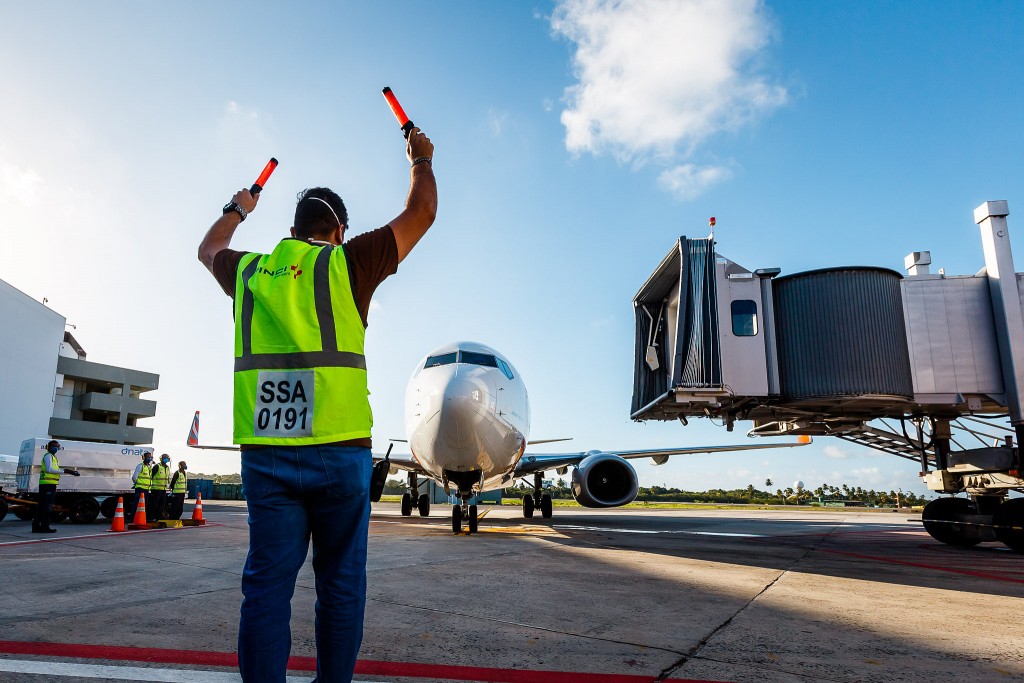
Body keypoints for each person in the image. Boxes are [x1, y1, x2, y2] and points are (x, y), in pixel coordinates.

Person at [198, 125, 436, 683]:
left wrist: (237, 207)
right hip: (339, 451)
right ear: (339, 231)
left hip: (266, 454)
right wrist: (420, 159)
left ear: (291, 231)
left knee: (265, 590)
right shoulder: (348, 263)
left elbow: (207, 249)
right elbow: (421, 212)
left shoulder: (252, 273)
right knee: (340, 587)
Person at [32, 439, 79, 533]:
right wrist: (65, 471)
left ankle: (37, 526)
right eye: (54, 446)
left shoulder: (53, 457)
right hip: (47, 485)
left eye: (57, 447)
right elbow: (49, 469)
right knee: (46, 507)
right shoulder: (48, 456)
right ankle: (44, 527)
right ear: (49, 447)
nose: (55, 448)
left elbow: (54, 469)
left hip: (49, 484)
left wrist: (68, 471)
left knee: (42, 506)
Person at [130, 451, 154, 519]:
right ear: (144, 458)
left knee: (144, 505)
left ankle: (140, 518)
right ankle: (133, 519)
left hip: (146, 489)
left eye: (150, 457)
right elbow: (134, 477)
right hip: (140, 489)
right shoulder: (140, 466)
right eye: (148, 457)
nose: (150, 458)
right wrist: (137, 483)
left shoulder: (149, 467)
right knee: (137, 504)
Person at [150, 454, 172, 521]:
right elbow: (151, 476)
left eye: (167, 458)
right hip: (156, 489)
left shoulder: (167, 467)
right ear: (161, 459)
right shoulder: (157, 466)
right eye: (165, 458)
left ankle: (158, 517)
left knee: (162, 505)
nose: (167, 459)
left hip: (163, 489)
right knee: (154, 504)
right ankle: (151, 517)